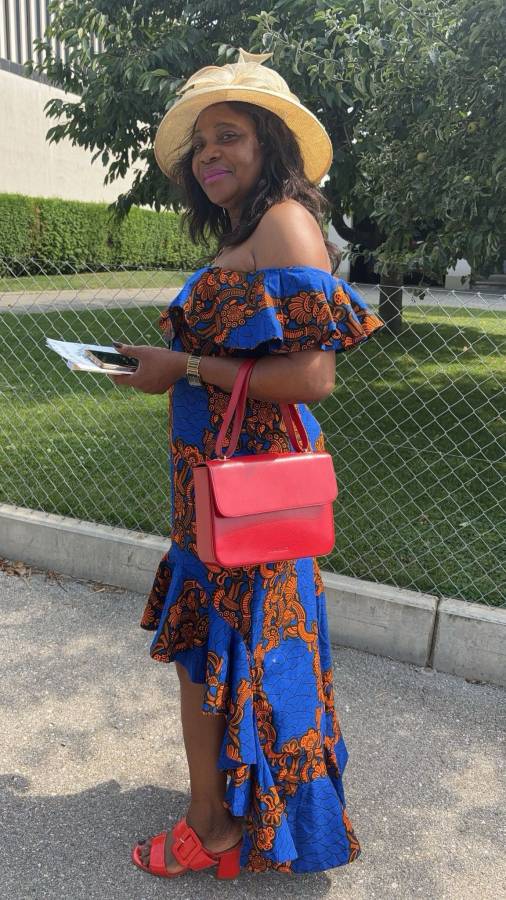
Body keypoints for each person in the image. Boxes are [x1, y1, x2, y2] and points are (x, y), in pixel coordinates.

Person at [110, 49, 384, 879]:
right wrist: (168, 367)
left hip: (249, 497)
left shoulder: (285, 223)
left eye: (228, 136)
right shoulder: (249, 233)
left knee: (225, 659)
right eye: (201, 144)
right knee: (221, 659)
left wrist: (186, 366)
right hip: (216, 490)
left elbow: (313, 375)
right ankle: (235, 818)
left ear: (268, 143)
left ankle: (212, 829)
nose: (210, 155)